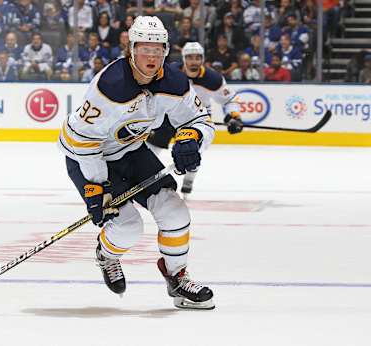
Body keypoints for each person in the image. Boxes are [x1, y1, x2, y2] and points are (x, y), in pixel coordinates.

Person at [58, 16, 215, 309]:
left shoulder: (175, 82)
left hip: (131, 149)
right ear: (131, 48)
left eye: (158, 49)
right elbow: (82, 139)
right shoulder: (110, 86)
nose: (152, 55)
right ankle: (107, 255)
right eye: (145, 48)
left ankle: (177, 277)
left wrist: (191, 137)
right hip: (89, 157)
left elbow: (200, 119)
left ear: (166, 51)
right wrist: (97, 186)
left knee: (174, 211)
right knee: (127, 226)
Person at [147, 41, 242, 196]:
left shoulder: (213, 79)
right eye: (190, 57)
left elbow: (230, 99)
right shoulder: (170, 72)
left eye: (198, 58)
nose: (194, 61)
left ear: (203, 59)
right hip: (169, 115)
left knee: (191, 151)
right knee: (151, 150)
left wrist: (234, 116)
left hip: (196, 119)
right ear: (184, 58)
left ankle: (189, 179)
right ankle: (142, 176)